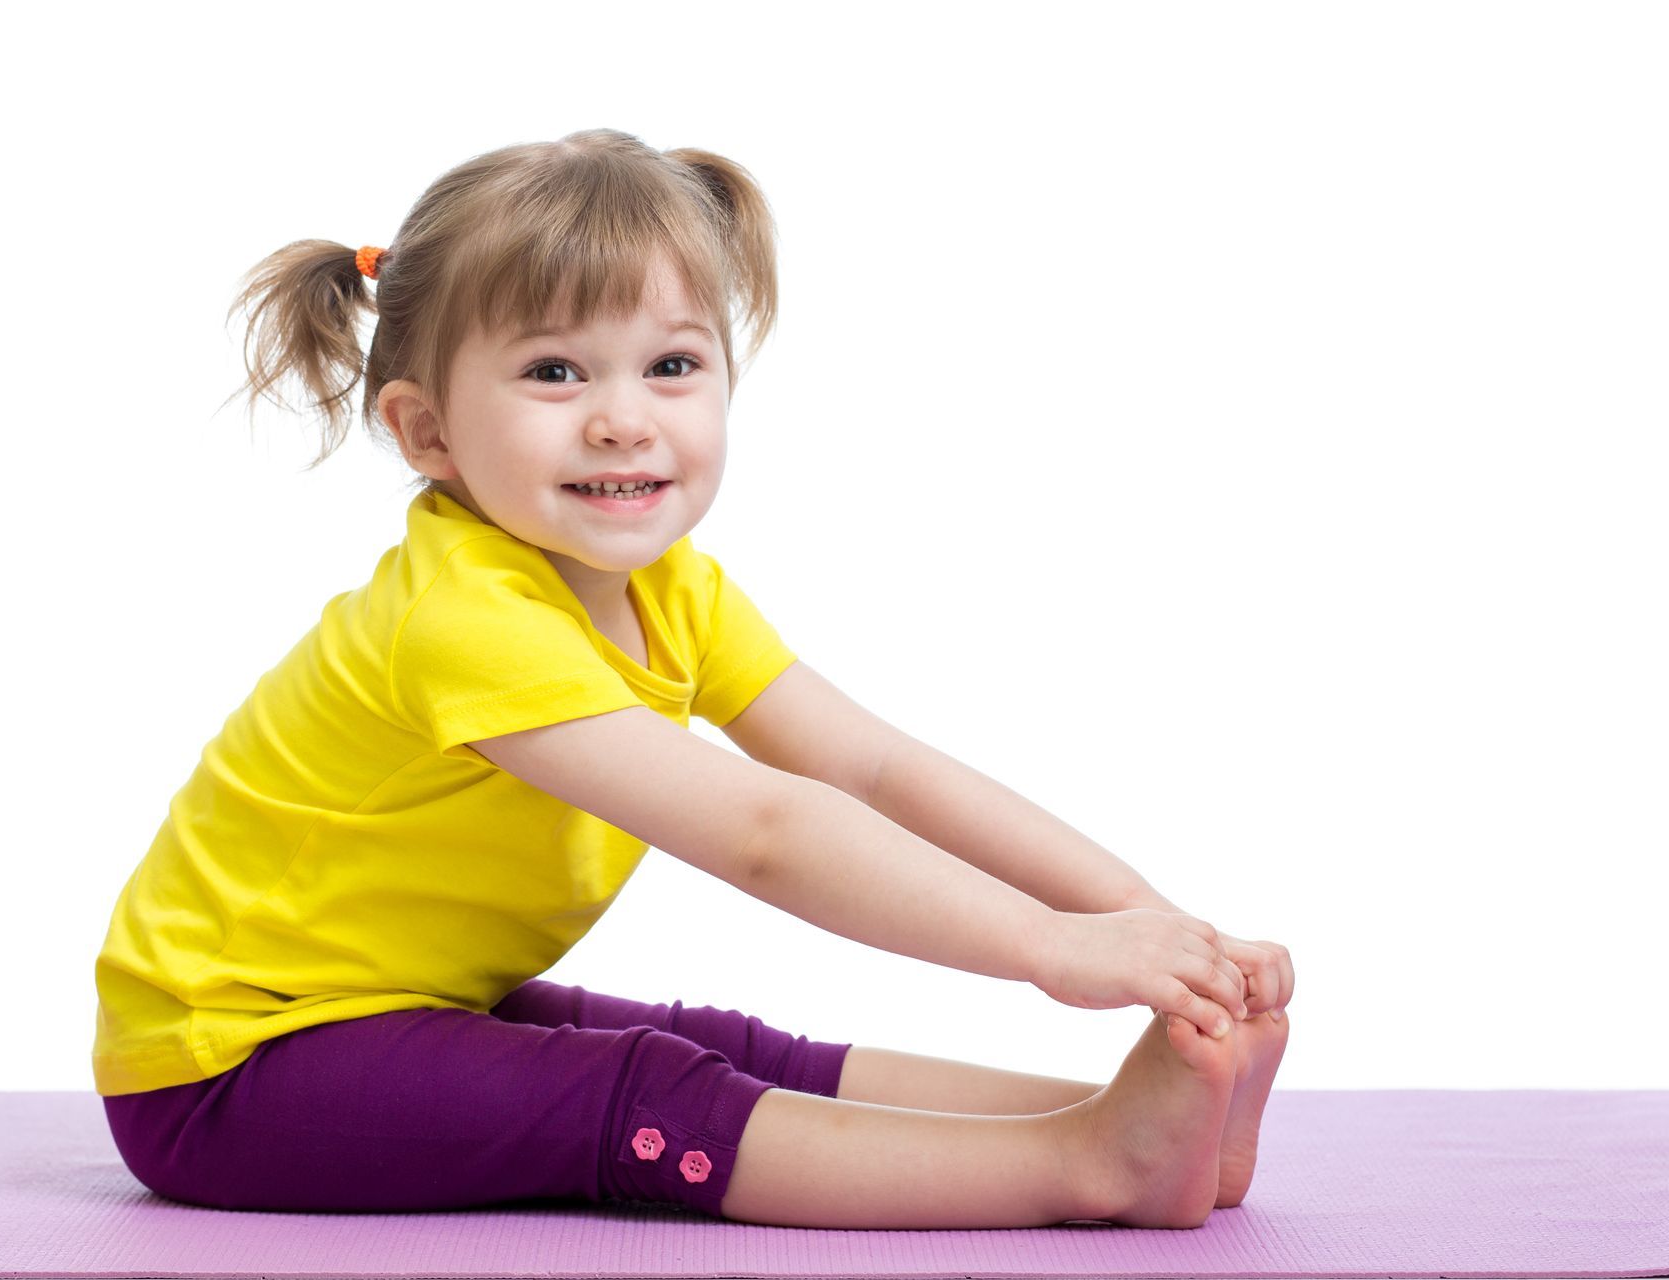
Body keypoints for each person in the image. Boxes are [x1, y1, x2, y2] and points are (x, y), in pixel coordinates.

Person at [93, 127, 1294, 1230]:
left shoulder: (676, 592)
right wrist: (1048, 946)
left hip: (388, 1008)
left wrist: (1142, 926)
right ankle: (1092, 1160)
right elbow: (767, 830)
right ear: (427, 433)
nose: (624, 420)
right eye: (556, 374)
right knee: (638, 1091)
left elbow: (877, 765)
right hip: (226, 1070)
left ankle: (1144, 1114)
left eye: (671, 363)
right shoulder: (460, 619)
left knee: (715, 1043)